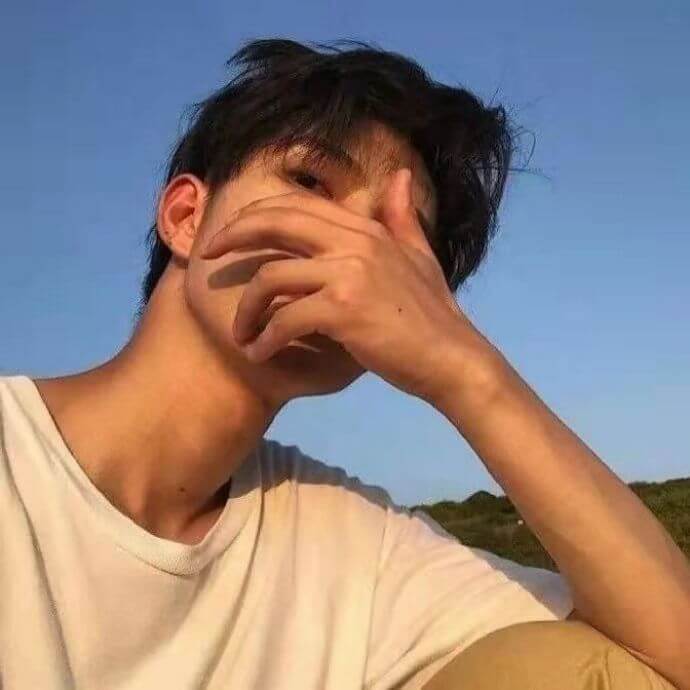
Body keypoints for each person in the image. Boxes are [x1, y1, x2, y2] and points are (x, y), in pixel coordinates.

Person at [1, 38, 688, 690]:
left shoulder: (357, 542)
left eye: (400, 242)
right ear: (185, 216)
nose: (354, 247)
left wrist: (467, 371)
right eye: (309, 180)